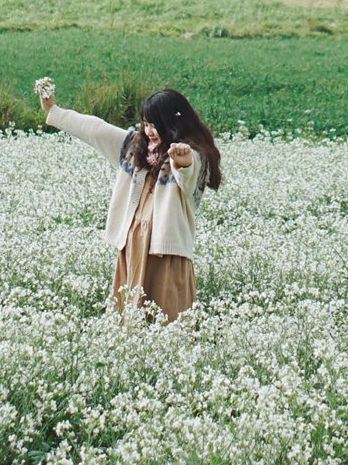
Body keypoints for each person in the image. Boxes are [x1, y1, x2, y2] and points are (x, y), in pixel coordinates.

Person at [39, 80, 223, 322]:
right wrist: (54, 111)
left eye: (156, 125)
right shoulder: (134, 146)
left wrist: (183, 161)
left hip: (165, 252)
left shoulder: (193, 155)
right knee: (129, 318)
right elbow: (96, 129)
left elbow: (189, 176)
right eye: (146, 124)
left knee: (166, 318)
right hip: (131, 246)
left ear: (175, 124)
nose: (149, 131)